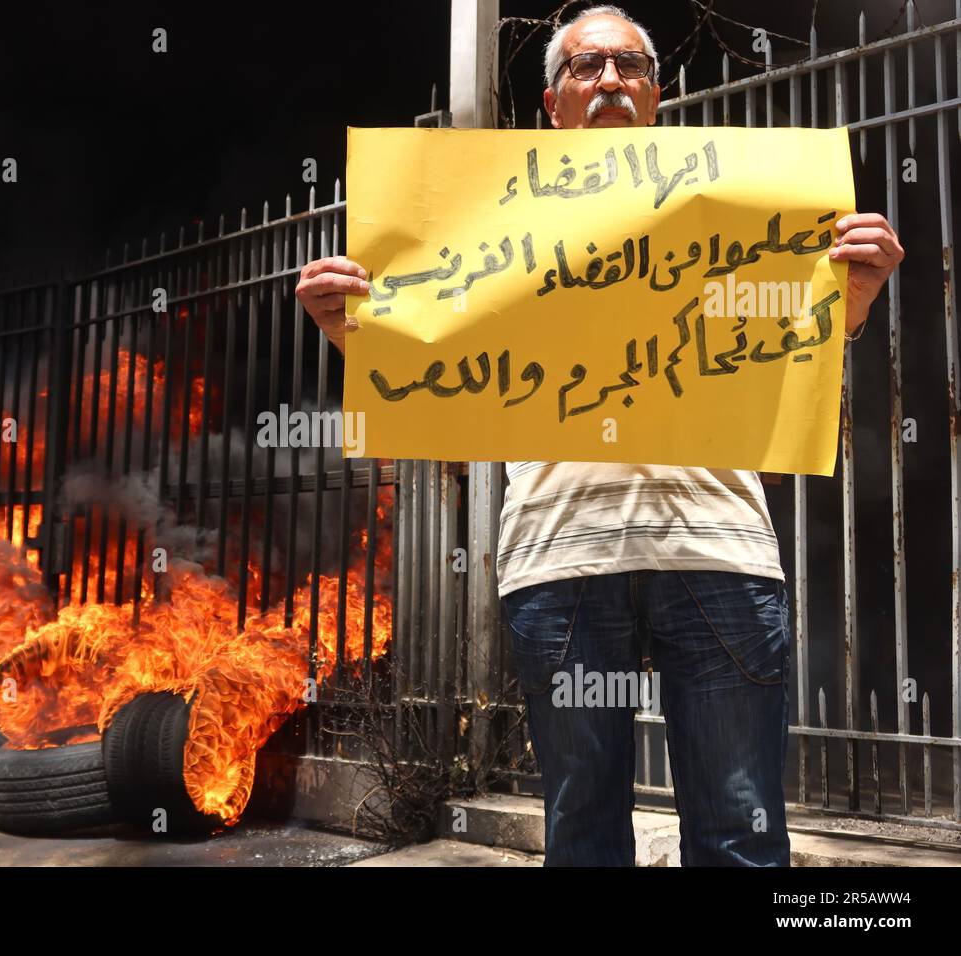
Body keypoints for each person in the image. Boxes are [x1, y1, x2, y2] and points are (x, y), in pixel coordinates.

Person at [295, 4, 904, 865]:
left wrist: (860, 290)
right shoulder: (486, 221)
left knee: (739, 830)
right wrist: (354, 332)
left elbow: (792, 339)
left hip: (717, 550)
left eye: (630, 66)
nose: (610, 79)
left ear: (657, 95)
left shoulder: (732, 209)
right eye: (587, 67)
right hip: (562, 555)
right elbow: (434, 367)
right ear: (552, 102)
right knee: (583, 835)